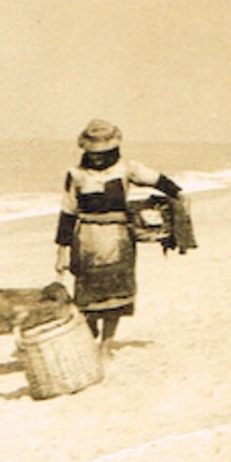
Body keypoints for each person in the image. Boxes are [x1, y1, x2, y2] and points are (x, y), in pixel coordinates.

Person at [54, 119, 184, 354]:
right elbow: (67, 212)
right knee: (86, 295)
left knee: (117, 296)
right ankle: (91, 331)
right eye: (93, 153)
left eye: (103, 152)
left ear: (113, 149)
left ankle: (106, 345)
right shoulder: (76, 175)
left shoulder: (127, 169)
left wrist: (179, 195)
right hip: (86, 240)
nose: (98, 157)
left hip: (119, 237)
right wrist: (61, 253)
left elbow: (158, 180)